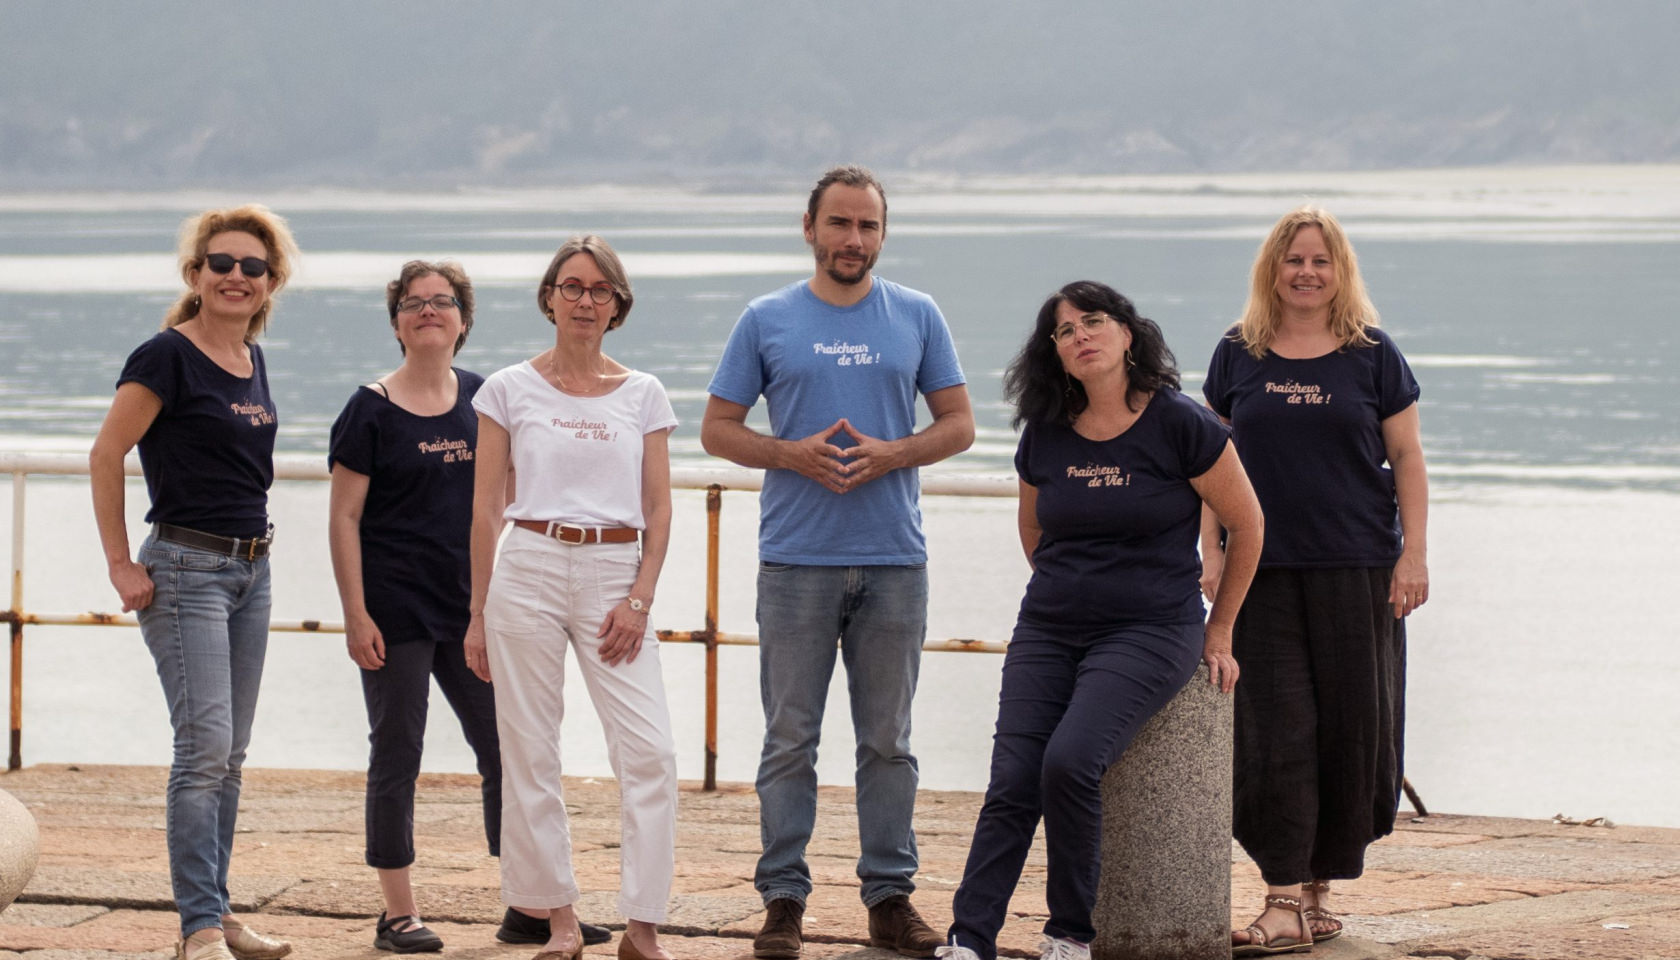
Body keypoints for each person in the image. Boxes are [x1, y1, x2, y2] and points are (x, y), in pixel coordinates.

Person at [935, 282, 1263, 960]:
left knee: (1070, 762)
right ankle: (970, 940)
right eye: (1062, 331)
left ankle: (1069, 934)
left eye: (1093, 321)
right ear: (1052, 354)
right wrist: (1069, 592)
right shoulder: (1046, 433)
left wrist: (1221, 628)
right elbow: (1033, 531)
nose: (1079, 335)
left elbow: (1248, 523)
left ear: (1127, 335)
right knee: (1013, 779)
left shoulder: (1180, 423)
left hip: (1151, 630)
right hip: (1049, 628)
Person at [700, 164, 975, 960]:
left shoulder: (918, 315)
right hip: (796, 563)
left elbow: (957, 425)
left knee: (888, 740)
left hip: (894, 559)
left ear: (882, 234)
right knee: (790, 738)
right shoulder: (767, 318)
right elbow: (719, 429)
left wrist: (896, 453)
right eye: (841, 224)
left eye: (869, 226)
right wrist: (790, 453)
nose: (854, 239)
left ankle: (889, 898)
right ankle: (782, 901)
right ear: (810, 228)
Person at [1201, 206, 1428, 955]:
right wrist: (1206, 549)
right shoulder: (1239, 354)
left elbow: (1409, 461)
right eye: (1293, 260)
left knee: (1352, 731)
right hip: (1258, 573)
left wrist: (1413, 554)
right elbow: (1205, 464)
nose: (1306, 272)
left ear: (1340, 272)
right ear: (1272, 269)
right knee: (1276, 733)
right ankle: (1281, 896)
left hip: (1359, 568)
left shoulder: (1373, 355)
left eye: (1320, 261)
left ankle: (1317, 892)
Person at [89, 205, 299, 960]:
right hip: (184, 569)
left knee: (231, 754)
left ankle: (218, 910)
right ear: (196, 275)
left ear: (271, 283)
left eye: (252, 267)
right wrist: (120, 562)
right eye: (222, 264)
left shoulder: (252, 359)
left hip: (252, 568)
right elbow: (106, 453)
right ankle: (198, 929)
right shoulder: (164, 357)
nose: (236, 277)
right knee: (203, 747)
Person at [464, 235, 679, 960]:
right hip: (526, 564)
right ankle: (558, 920)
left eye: (599, 290)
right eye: (572, 286)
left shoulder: (644, 394)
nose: (585, 300)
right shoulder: (506, 389)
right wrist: (476, 613)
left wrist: (640, 599)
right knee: (528, 750)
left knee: (649, 751)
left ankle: (643, 926)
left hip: (615, 572)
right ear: (549, 297)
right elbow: (486, 508)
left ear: (618, 304)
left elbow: (659, 507)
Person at [327, 260, 499, 953]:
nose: (429, 311)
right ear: (396, 321)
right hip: (393, 612)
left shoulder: (486, 399)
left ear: (463, 318)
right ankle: (397, 913)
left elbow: (504, 503)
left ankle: (528, 898)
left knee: (506, 750)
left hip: (471, 611)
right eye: (414, 302)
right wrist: (354, 613)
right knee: (397, 753)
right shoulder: (368, 409)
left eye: (443, 301)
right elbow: (342, 519)